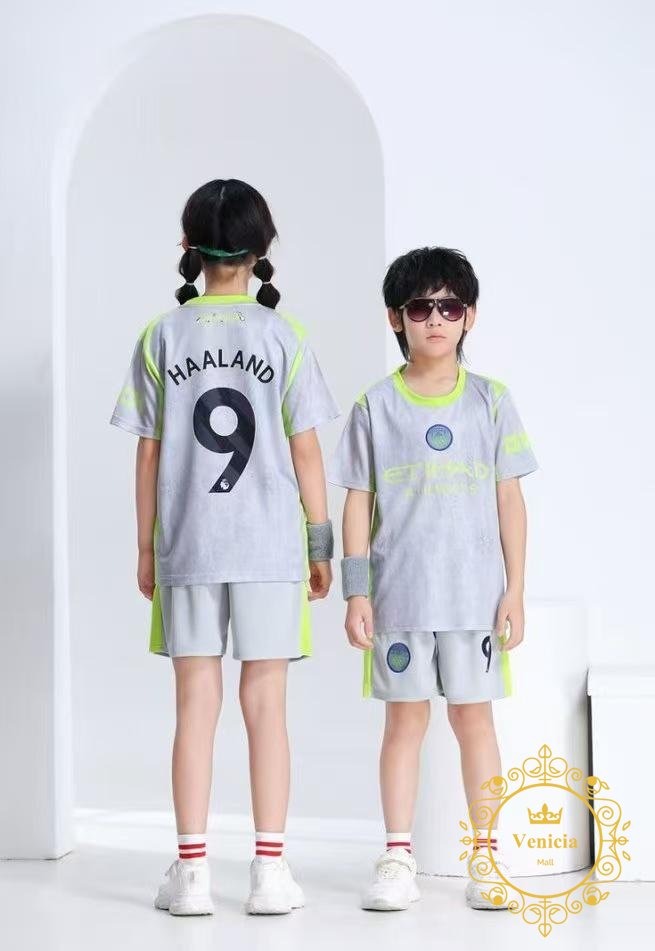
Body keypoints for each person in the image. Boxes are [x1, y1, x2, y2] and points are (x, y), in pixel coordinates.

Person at [109, 178, 340, 916]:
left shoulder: (161, 335)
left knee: (194, 704)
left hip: (189, 545)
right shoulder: (284, 335)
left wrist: (145, 547)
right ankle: (269, 873)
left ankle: (192, 875)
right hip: (271, 545)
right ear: (262, 249)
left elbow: (148, 454)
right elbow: (307, 450)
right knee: (266, 705)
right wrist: (321, 542)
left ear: (188, 247)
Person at [326, 246, 539, 911]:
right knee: (404, 724)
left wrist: (515, 588)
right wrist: (356, 590)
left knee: (475, 722)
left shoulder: (490, 401)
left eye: (449, 306)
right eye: (421, 307)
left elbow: (509, 498)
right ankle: (397, 856)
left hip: (474, 599)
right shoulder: (374, 405)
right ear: (397, 318)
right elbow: (357, 500)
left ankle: (488, 859)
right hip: (400, 598)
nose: (436, 319)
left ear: (469, 315)